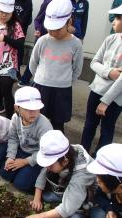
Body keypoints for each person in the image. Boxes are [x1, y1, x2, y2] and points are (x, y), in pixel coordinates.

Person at [29, 0, 83, 133]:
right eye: (50, 29)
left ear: (69, 22)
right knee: (37, 119)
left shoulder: (75, 44)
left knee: (57, 124)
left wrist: (66, 81)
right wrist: (41, 78)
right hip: (41, 85)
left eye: (58, 29)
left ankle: (58, 151)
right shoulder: (43, 40)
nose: (53, 33)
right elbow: (33, 63)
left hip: (62, 89)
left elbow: (77, 68)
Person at [24, 130, 96, 218]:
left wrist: (40, 216)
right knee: (46, 197)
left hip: (85, 198)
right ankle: (64, 197)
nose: (47, 167)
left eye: (50, 165)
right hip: (67, 187)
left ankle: (80, 211)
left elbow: (68, 207)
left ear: (65, 161)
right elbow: (44, 171)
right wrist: (37, 196)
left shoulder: (82, 174)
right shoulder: (65, 151)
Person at [81, 5, 122, 156]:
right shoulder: (110, 39)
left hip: (115, 97)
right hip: (97, 89)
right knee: (89, 124)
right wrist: (109, 72)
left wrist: (106, 101)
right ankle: (83, 154)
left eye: (117, 18)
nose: (113, 21)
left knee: (107, 128)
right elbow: (94, 62)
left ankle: (101, 159)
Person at [0, 87, 53, 192]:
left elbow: (46, 152)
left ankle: (39, 180)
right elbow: (13, 138)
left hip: (38, 157)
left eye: (36, 108)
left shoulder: (44, 125)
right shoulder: (15, 118)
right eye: (28, 109)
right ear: (17, 108)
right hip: (22, 150)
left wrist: (25, 162)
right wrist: (10, 156)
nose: (33, 112)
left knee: (21, 184)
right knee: (5, 174)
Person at [0, 0, 25, 119]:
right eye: (1, 11)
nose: (4, 15)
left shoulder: (16, 26)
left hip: (10, 65)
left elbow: (20, 45)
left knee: (6, 88)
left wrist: (5, 38)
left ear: (12, 12)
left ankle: (9, 116)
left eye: (7, 12)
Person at [18, 0, 52, 86]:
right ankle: (24, 80)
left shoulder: (71, 3)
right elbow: (37, 20)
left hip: (59, 40)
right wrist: (38, 29)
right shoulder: (48, 2)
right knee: (34, 59)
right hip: (43, 36)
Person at [87, 144, 122, 218]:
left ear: (120, 187)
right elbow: (98, 195)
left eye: (101, 180)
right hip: (112, 211)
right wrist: (109, 209)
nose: (97, 181)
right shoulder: (112, 187)